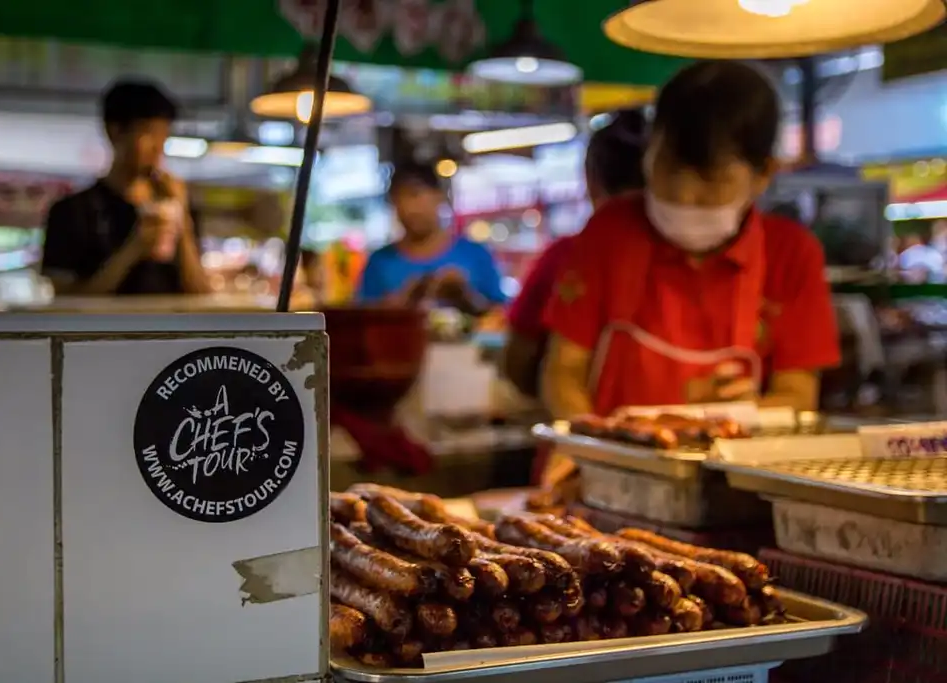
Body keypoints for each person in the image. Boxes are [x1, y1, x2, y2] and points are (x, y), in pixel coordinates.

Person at [542, 61, 840, 462]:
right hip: (604, 470)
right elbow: (562, 370)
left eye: (710, 183)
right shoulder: (608, 232)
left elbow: (798, 396)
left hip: (729, 478)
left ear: (763, 173)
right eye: (667, 172)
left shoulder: (791, 253)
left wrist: (753, 413)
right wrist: (588, 450)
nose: (683, 198)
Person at [501, 110, 647, 398]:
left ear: (590, 179)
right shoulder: (696, 258)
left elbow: (516, 361)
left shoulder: (567, 254)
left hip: (580, 428)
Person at [41, 80, 209, 295]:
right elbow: (66, 304)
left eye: (163, 135)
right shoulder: (72, 212)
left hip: (168, 328)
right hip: (105, 329)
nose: (158, 147)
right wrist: (135, 248)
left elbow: (201, 294)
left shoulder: (174, 206)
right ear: (115, 132)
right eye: (149, 133)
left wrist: (182, 220)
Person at [357, 161, 506, 314]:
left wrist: (466, 297)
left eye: (414, 194)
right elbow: (362, 319)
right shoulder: (379, 262)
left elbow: (501, 315)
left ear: (439, 195)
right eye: (397, 199)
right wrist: (402, 303)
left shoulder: (477, 255)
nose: (408, 207)